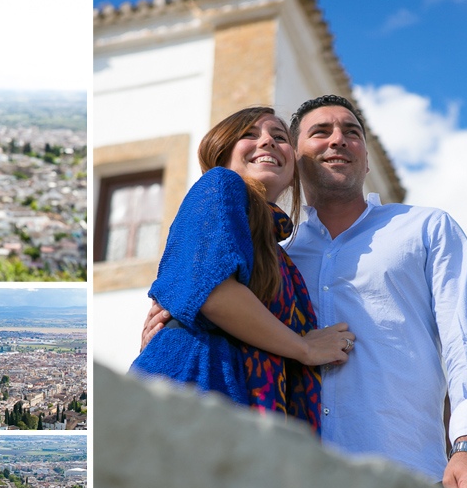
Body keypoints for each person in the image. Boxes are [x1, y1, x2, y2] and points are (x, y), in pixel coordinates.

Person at [144, 95, 467, 488]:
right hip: (296, 486)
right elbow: (207, 294)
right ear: (297, 160)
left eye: (351, 132)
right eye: (320, 132)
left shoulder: (424, 229)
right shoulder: (277, 251)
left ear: (367, 159)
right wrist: (172, 320)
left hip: (409, 474)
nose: (338, 140)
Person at [131, 106, 355, 434]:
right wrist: (305, 347)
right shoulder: (220, 184)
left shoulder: (279, 253)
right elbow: (215, 292)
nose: (267, 142)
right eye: (249, 135)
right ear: (221, 153)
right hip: (198, 380)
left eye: (279, 138)